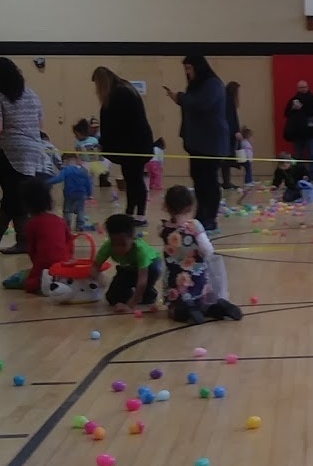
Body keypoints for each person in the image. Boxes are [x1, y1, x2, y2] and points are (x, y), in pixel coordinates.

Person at [0, 58, 54, 253]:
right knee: (14, 194)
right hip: (33, 150)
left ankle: (23, 241)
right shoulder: (31, 94)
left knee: (16, 196)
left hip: (11, 152)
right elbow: (40, 125)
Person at [160, 185, 242, 324]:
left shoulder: (163, 229)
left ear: (166, 207)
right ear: (191, 206)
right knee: (203, 303)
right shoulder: (194, 225)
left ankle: (187, 310)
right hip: (197, 279)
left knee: (173, 309)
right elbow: (207, 250)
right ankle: (215, 308)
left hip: (175, 281)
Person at [165, 56, 226, 232]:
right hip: (197, 142)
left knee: (209, 181)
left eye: (190, 68)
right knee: (198, 179)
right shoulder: (196, 86)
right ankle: (201, 214)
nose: (187, 72)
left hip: (211, 142)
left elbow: (200, 104)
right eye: (185, 69)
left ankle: (210, 217)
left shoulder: (212, 84)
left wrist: (180, 97)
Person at [93, 67, 154, 225]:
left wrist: (105, 143)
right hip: (134, 144)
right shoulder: (123, 89)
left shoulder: (119, 94)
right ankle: (130, 211)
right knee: (131, 178)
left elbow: (117, 124)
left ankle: (140, 214)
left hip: (135, 146)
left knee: (135, 179)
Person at [1, 178, 73, 294]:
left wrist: (36, 268)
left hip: (43, 263)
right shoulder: (60, 220)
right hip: (64, 262)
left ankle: (43, 283)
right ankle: (57, 280)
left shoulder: (30, 224)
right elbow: (70, 242)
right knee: (60, 274)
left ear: (25, 203)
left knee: (29, 283)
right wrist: (68, 259)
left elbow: (31, 250)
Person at [92, 213, 162, 312]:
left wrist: (130, 305)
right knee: (112, 298)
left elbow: (142, 281)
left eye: (122, 244)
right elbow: (95, 266)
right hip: (129, 268)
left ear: (133, 238)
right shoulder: (107, 247)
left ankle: (148, 292)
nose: (118, 249)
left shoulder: (140, 250)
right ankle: (135, 293)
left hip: (150, 266)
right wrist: (98, 278)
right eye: (114, 244)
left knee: (153, 271)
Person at [47, 153, 93, 231]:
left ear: (66, 161)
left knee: (67, 210)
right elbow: (88, 183)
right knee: (81, 210)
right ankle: (80, 226)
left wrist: (45, 182)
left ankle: (67, 226)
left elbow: (58, 178)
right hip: (81, 194)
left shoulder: (67, 169)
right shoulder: (84, 170)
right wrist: (89, 194)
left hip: (69, 194)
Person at [283, 80, 313, 170]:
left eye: (304, 87)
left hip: (310, 131)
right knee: (297, 155)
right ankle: (296, 173)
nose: (303, 89)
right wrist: (293, 108)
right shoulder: (293, 99)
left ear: (307, 87)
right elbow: (286, 114)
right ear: (297, 88)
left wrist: (302, 108)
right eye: (301, 87)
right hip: (298, 132)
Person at [222, 81, 242, 189]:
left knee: (226, 159)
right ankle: (226, 182)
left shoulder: (225, 100)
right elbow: (231, 118)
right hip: (228, 134)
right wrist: (236, 131)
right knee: (227, 158)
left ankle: (226, 181)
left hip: (226, 133)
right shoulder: (229, 101)